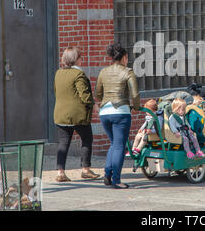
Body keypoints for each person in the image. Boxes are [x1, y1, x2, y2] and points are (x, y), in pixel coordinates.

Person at [94, 43, 140, 189]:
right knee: (120, 146)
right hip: (121, 112)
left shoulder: (103, 72)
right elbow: (135, 94)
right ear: (124, 57)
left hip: (105, 113)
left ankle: (107, 174)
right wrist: (137, 107)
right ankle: (116, 180)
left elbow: (98, 94)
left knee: (114, 144)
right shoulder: (128, 72)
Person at [53, 47, 100, 182]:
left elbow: (56, 92)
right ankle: (85, 169)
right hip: (77, 115)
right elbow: (84, 95)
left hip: (60, 114)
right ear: (75, 59)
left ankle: (60, 172)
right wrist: (94, 105)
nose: (82, 59)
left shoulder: (58, 73)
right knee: (86, 139)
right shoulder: (79, 74)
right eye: (80, 57)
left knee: (63, 143)